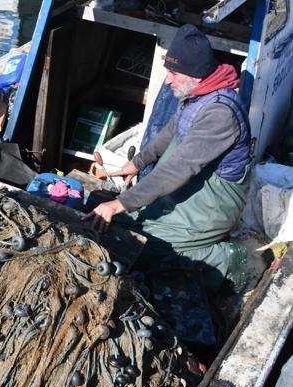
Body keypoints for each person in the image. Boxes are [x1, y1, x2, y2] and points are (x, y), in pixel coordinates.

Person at [84, 24, 252, 295]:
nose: (167, 80)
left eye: (174, 73)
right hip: (193, 186)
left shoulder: (221, 113)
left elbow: (179, 168)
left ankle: (225, 259)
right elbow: (172, 130)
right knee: (121, 223)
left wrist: (121, 202)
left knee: (147, 248)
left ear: (195, 75)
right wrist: (138, 162)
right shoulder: (196, 94)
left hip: (215, 203)